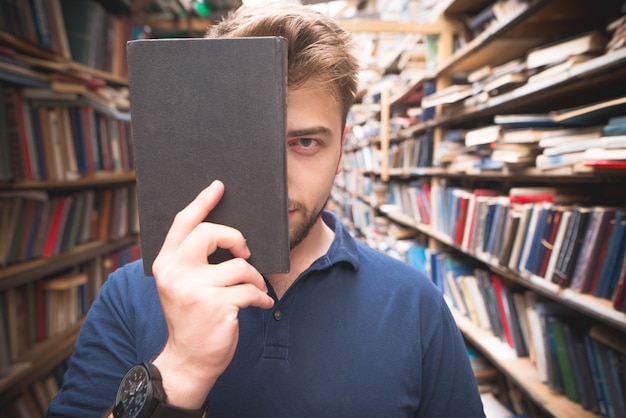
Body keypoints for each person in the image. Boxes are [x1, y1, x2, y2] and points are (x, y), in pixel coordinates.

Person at [47, 2, 485, 417]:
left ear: (342, 149)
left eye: (306, 142)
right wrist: (180, 369)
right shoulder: (128, 296)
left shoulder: (415, 304)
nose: (278, 178)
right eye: (249, 143)